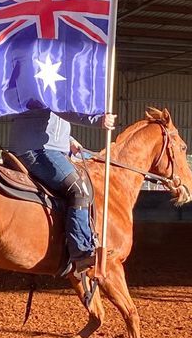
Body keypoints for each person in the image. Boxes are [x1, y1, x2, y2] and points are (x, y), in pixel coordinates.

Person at [8, 108, 116, 273]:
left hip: (44, 147)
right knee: (79, 190)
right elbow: (60, 109)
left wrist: (68, 140)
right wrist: (97, 120)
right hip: (39, 150)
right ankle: (81, 252)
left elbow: (50, 119)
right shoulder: (44, 84)